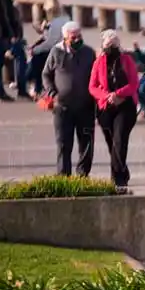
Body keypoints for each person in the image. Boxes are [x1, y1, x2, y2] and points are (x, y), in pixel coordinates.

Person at [43, 21, 97, 178]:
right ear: (65, 38)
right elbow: (46, 74)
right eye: (73, 37)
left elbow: (96, 76)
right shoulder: (56, 52)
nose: (77, 40)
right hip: (62, 107)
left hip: (85, 107)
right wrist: (53, 93)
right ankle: (63, 177)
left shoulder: (89, 52)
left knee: (86, 143)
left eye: (79, 36)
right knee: (63, 144)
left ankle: (83, 176)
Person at [89, 30, 140, 188]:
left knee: (119, 140)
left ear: (119, 44)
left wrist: (118, 94)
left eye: (114, 44)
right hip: (106, 107)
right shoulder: (98, 62)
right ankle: (122, 171)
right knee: (111, 143)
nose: (111, 47)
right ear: (103, 45)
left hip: (125, 107)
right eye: (108, 44)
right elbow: (92, 87)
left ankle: (118, 179)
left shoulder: (127, 60)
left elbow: (134, 83)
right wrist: (107, 96)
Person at [29, 0, 71, 96]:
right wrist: (44, 29)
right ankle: (36, 87)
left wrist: (35, 50)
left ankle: (37, 88)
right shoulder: (67, 19)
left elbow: (50, 43)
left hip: (58, 52)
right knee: (38, 58)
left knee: (37, 60)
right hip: (66, 50)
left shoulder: (55, 23)